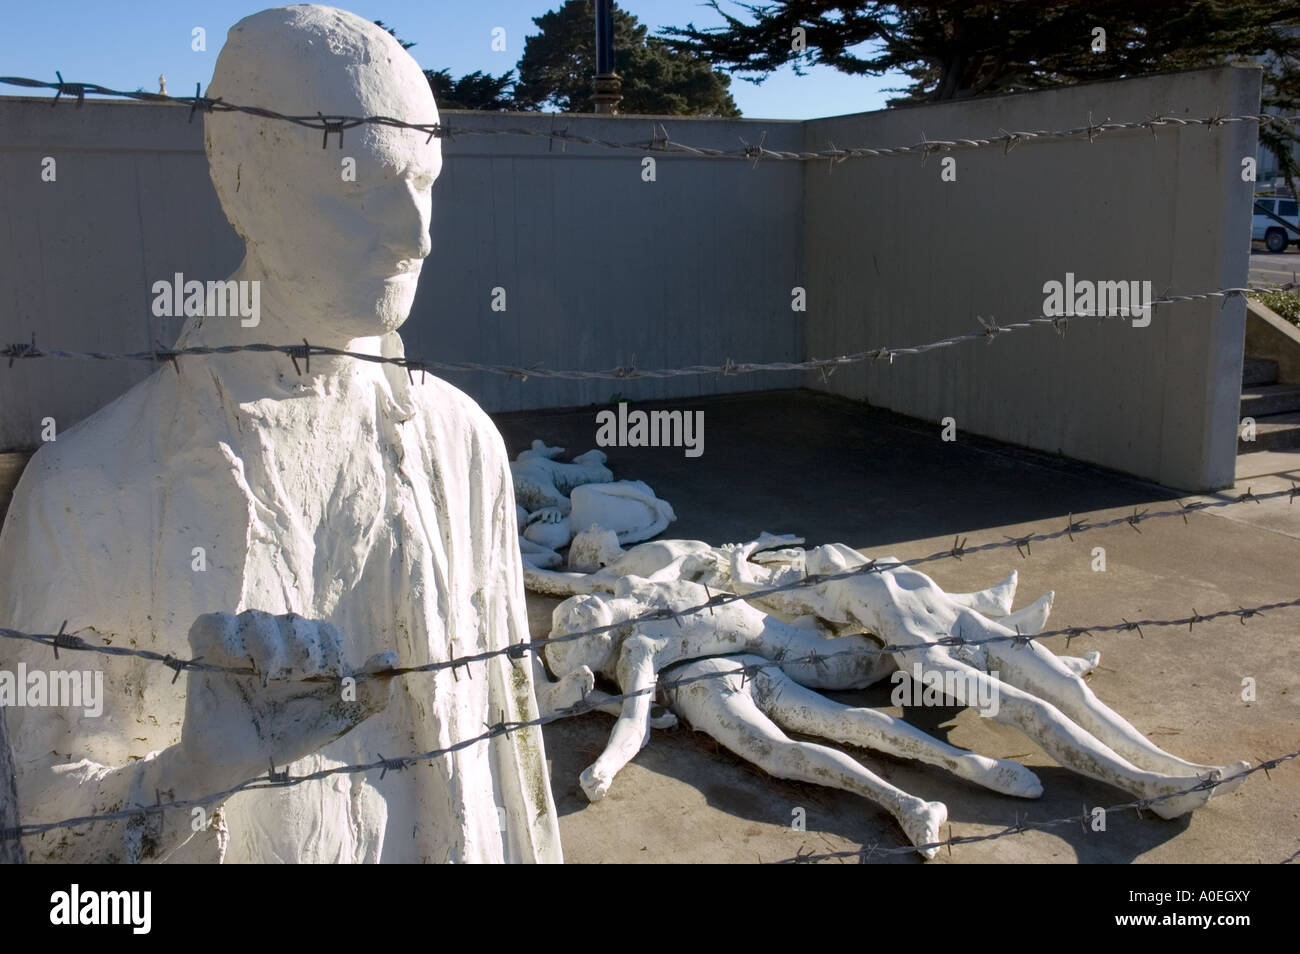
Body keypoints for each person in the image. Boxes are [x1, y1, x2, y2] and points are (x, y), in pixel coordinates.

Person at [0, 5, 561, 863]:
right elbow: (42, 842)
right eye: (361, 182)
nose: (417, 234)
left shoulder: (466, 446)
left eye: (426, 180)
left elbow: (510, 763)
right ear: (235, 179)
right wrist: (190, 777)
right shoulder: (86, 494)